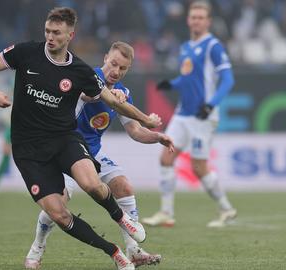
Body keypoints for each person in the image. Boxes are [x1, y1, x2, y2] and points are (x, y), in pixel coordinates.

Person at [0, 7, 161, 270]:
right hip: (28, 149)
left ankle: (121, 219)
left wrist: (146, 120)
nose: (50, 37)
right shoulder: (26, 52)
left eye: (57, 33)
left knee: (92, 184)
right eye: (48, 31)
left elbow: (112, 101)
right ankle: (115, 252)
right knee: (59, 214)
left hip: (63, 138)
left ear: (70, 35)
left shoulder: (80, 71)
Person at [24, 41, 175, 269]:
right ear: (105, 58)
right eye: (113, 64)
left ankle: (133, 251)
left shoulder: (123, 93)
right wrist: (109, 95)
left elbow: (135, 131)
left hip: (92, 153)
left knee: (123, 186)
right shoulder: (87, 74)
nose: (116, 71)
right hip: (65, 149)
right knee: (58, 203)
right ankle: (37, 248)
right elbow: (87, 94)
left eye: (122, 68)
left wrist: (158, 137)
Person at [142, 1, 237, 228]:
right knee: (166, 157)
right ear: (188, 19)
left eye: (200, 17)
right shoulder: (185, 47)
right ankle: (166, 212)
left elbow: (228, 79)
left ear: (208, 21)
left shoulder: (213, 46)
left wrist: (211, 104)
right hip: (182, 114)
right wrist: (171, 84)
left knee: (199, 167)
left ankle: (226, 208)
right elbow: (187, 78)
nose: (196, 20)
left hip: (202, 116)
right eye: (193, 17)